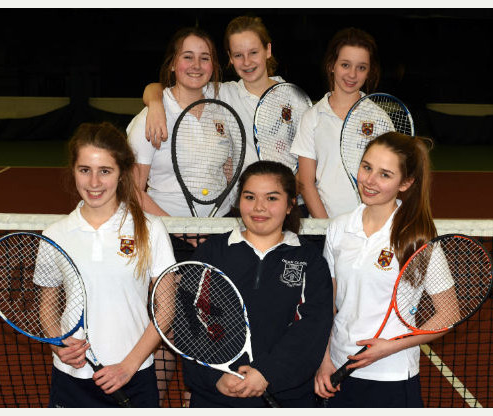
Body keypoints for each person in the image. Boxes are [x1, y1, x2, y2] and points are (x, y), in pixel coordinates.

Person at [43, 122, 176, 407]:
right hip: (70, 378)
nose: (93, 183)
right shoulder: (55, 234)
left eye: (105, 171)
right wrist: (57, 342)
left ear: (121, 173)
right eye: (84, 170)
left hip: (135, 375)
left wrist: (128, 365)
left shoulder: (151, 229)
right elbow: (47, 306)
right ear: (73, 171)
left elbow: (166, 310)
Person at [182, 160, 333, 407]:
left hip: (286, 397)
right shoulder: (210, 253)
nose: (259, 207)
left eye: (272, 198)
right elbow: (188, 321)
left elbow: (313, 327)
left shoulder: (309, 259)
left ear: (290, 205)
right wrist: (215, 376)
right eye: (250, 197)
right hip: (217, 395)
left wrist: (267, 373)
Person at [315, 132, 442, 407]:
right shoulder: (339, 227)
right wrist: (324, 360)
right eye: (367, 167)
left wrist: (390, 347)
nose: (370, 180)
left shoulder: (417, 237)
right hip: (338, 367)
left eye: (385, 175)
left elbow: (448, 313)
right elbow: (328, 304)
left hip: (391, 375)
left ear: (406, 183)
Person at [141, 16, 311, 215]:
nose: (247, 62)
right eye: (238, 55)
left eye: (254, 52)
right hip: (244, 209)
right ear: (230, 58)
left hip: (290, 206)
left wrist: (286, 198)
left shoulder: (295, 100)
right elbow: (163, 87)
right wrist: (154, 104)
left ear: (268, 50)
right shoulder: (221, 93)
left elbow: (308, 163)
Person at [126, 27, 225, 218]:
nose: (196, 65)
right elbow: (132, 191)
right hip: (169, 232)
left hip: (219, 228)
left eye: (204, 58)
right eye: (187, 57)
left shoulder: (222, 106)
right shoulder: (149, 118)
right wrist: (181, 230)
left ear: (213, 66)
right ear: (172, 64)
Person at [291, 27, 382, 219]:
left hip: (369, 226)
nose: (352, 75)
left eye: (361, 67)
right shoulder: (312, 117)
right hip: (325, 227)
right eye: (345, 65)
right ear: (332, 65)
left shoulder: (379, 119)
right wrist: (327, 229)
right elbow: (306, 183)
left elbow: (387, 180)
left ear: (368, 72)